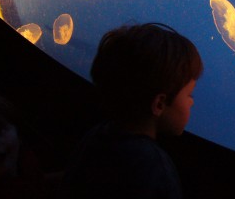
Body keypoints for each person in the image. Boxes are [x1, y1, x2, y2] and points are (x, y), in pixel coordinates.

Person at [59, 22, 203, 199]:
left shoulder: (95, 136)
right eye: (190, 94)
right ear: (159, 104)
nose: (192, 103)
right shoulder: (155, 168)